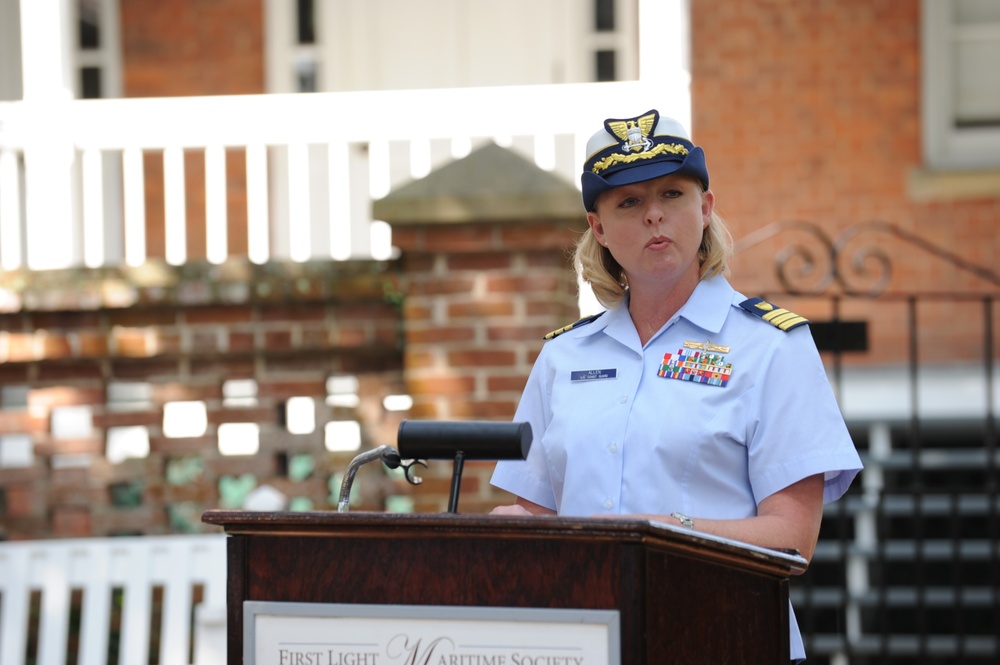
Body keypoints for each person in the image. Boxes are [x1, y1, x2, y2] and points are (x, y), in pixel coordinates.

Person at [489, 108, 863, 663]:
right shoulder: (562, 356)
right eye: (629, 202)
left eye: (672, 195)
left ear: (705, 209)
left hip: (725, 638)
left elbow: (792, 539)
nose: (654, 217)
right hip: (586, 642)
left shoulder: (771, 346)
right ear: (598, 227)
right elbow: (538, 516)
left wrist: (659, 532)